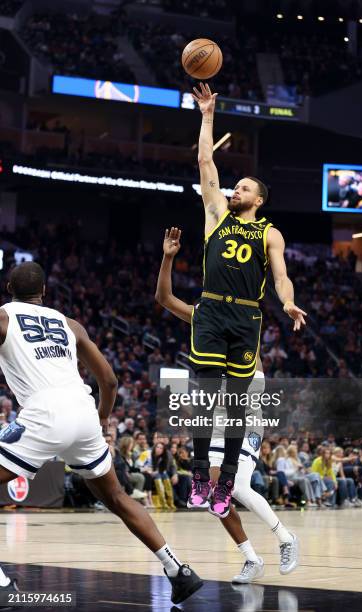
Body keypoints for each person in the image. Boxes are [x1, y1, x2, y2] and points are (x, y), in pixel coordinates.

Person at [0, 262, 202, 604]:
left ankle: (3, 586)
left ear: (9, 289)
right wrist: (102, 418)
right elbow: (109, 380)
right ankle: (177, 570)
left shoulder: (4, 317)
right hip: (83, 410)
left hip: (44, 411)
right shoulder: (70, 324)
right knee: (118, 497)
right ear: (44, 292)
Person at [187, 82, 306, 518]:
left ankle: (227, 479)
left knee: (236, 401)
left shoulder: (269, 233)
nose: (234, 191)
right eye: (233, 186)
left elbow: (281, 277)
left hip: (246, 316)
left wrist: (289, 303)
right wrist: (207, 115)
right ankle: (200, 473)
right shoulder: (216, 213)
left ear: (258, 200)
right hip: (212, 308)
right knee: (203, 393)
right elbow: (205, 159)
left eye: (242, 189)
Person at [155, 227, 299, 582]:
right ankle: (251, 557)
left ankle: (285, 537)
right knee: (211, 497)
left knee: (233, 486)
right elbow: (164, 298)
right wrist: (168, 258)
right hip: (214, 422)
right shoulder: (204, 317)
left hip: (245, 420)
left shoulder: (243, 326)